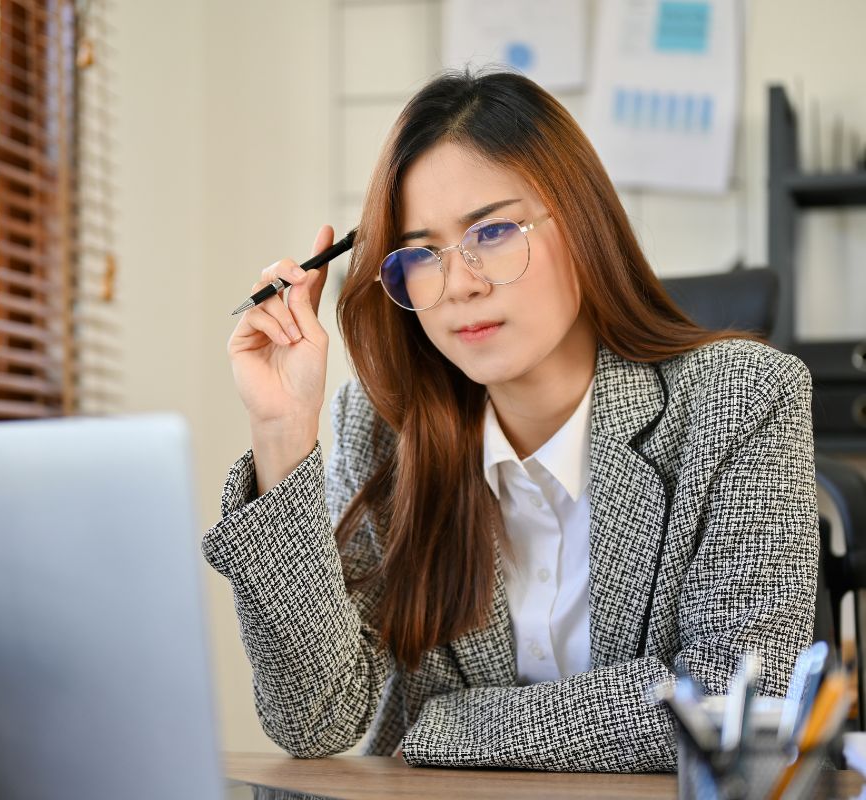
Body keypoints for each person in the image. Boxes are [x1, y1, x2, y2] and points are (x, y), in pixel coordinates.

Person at [203, 70, 818, 772]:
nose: (459, 282)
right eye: (420, 253)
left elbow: (738, 704)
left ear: (583, 224)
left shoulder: (743, 399)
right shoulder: (379, 427)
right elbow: (313, 720)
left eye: (492, 231)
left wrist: (443, 726)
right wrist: (283, 433)